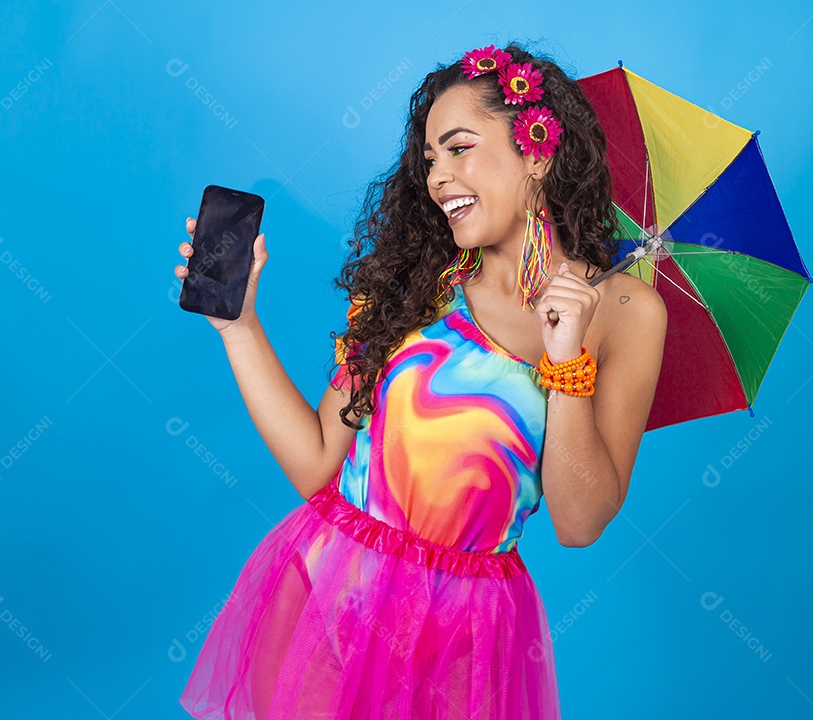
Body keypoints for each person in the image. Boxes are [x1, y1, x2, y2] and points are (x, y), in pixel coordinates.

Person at [174, 41, 666, 719]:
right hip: (330, 597)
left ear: (539, 152)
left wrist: (565, 360)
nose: (438, 178)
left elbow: (580, 523)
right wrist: (240, 328)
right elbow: (320, 462)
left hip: (469, 635)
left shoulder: (627, 313)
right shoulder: (413, 285)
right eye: (430, 160)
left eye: (460, 148)